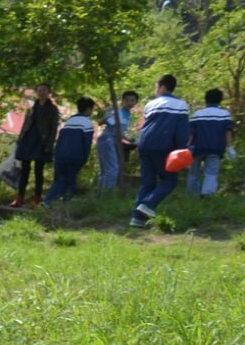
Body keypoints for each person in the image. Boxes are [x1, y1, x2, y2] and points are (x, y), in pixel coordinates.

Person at [131, 74, 192, 229]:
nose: (156, 89)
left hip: (144, 144)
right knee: (170, 181)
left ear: (162, 86)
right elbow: (182, 131)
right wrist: (182, 150)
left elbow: (146, 125)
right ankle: (148, 204)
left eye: (156, 86)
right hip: (164, 146)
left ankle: (137, 218)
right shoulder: (180, 105)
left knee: (148, 182)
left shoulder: (151, 104)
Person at [11, 83, 60, 207]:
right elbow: (25, 125)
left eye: (44, 90)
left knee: (39, 171)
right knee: (25, 170)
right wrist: (20, 139)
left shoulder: (52, 109)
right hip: (28, 140)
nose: (41, 93)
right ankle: (19, 198)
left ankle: (36, 199)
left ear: (49, 92)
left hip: (42, 142)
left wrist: (50, 144)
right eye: (39, 90)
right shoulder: (32, 107)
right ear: (36, 92)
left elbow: (54, 129)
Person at [44, 97, 98, 204]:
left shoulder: (69, 121)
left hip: (61, 155)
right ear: (88, 109)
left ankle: (50, 201)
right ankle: (59, 202)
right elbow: (87, 143)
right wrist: (84, 158)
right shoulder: (87, 123)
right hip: (75, 156)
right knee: (70, 181)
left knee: (59, 180)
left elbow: (60, 139)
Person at [187, 87, 234, 198]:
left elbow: (191, 133)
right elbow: (228, 132)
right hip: (216, 148)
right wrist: (230, 147)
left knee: (194, 173)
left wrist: (187, 146)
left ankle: (192, 196)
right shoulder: (225, 114)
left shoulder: (197, 114)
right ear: (220, 100)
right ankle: (207, 195)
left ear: (205, 100)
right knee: (211, 173)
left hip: (197, 148)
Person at [96, 90, 138, 190]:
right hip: (107, 140)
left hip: (114, 141)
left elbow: (120, 132)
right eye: (127, 100)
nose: (130, 103)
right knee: (112, 168)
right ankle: (107, 194)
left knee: (107, 169)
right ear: (123, 101)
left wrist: (130, 140)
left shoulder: (129, 115)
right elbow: (101, 123)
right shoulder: (117, 112)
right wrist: (107, 116)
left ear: (136, 102)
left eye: (132, 100)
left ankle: (100, 193)